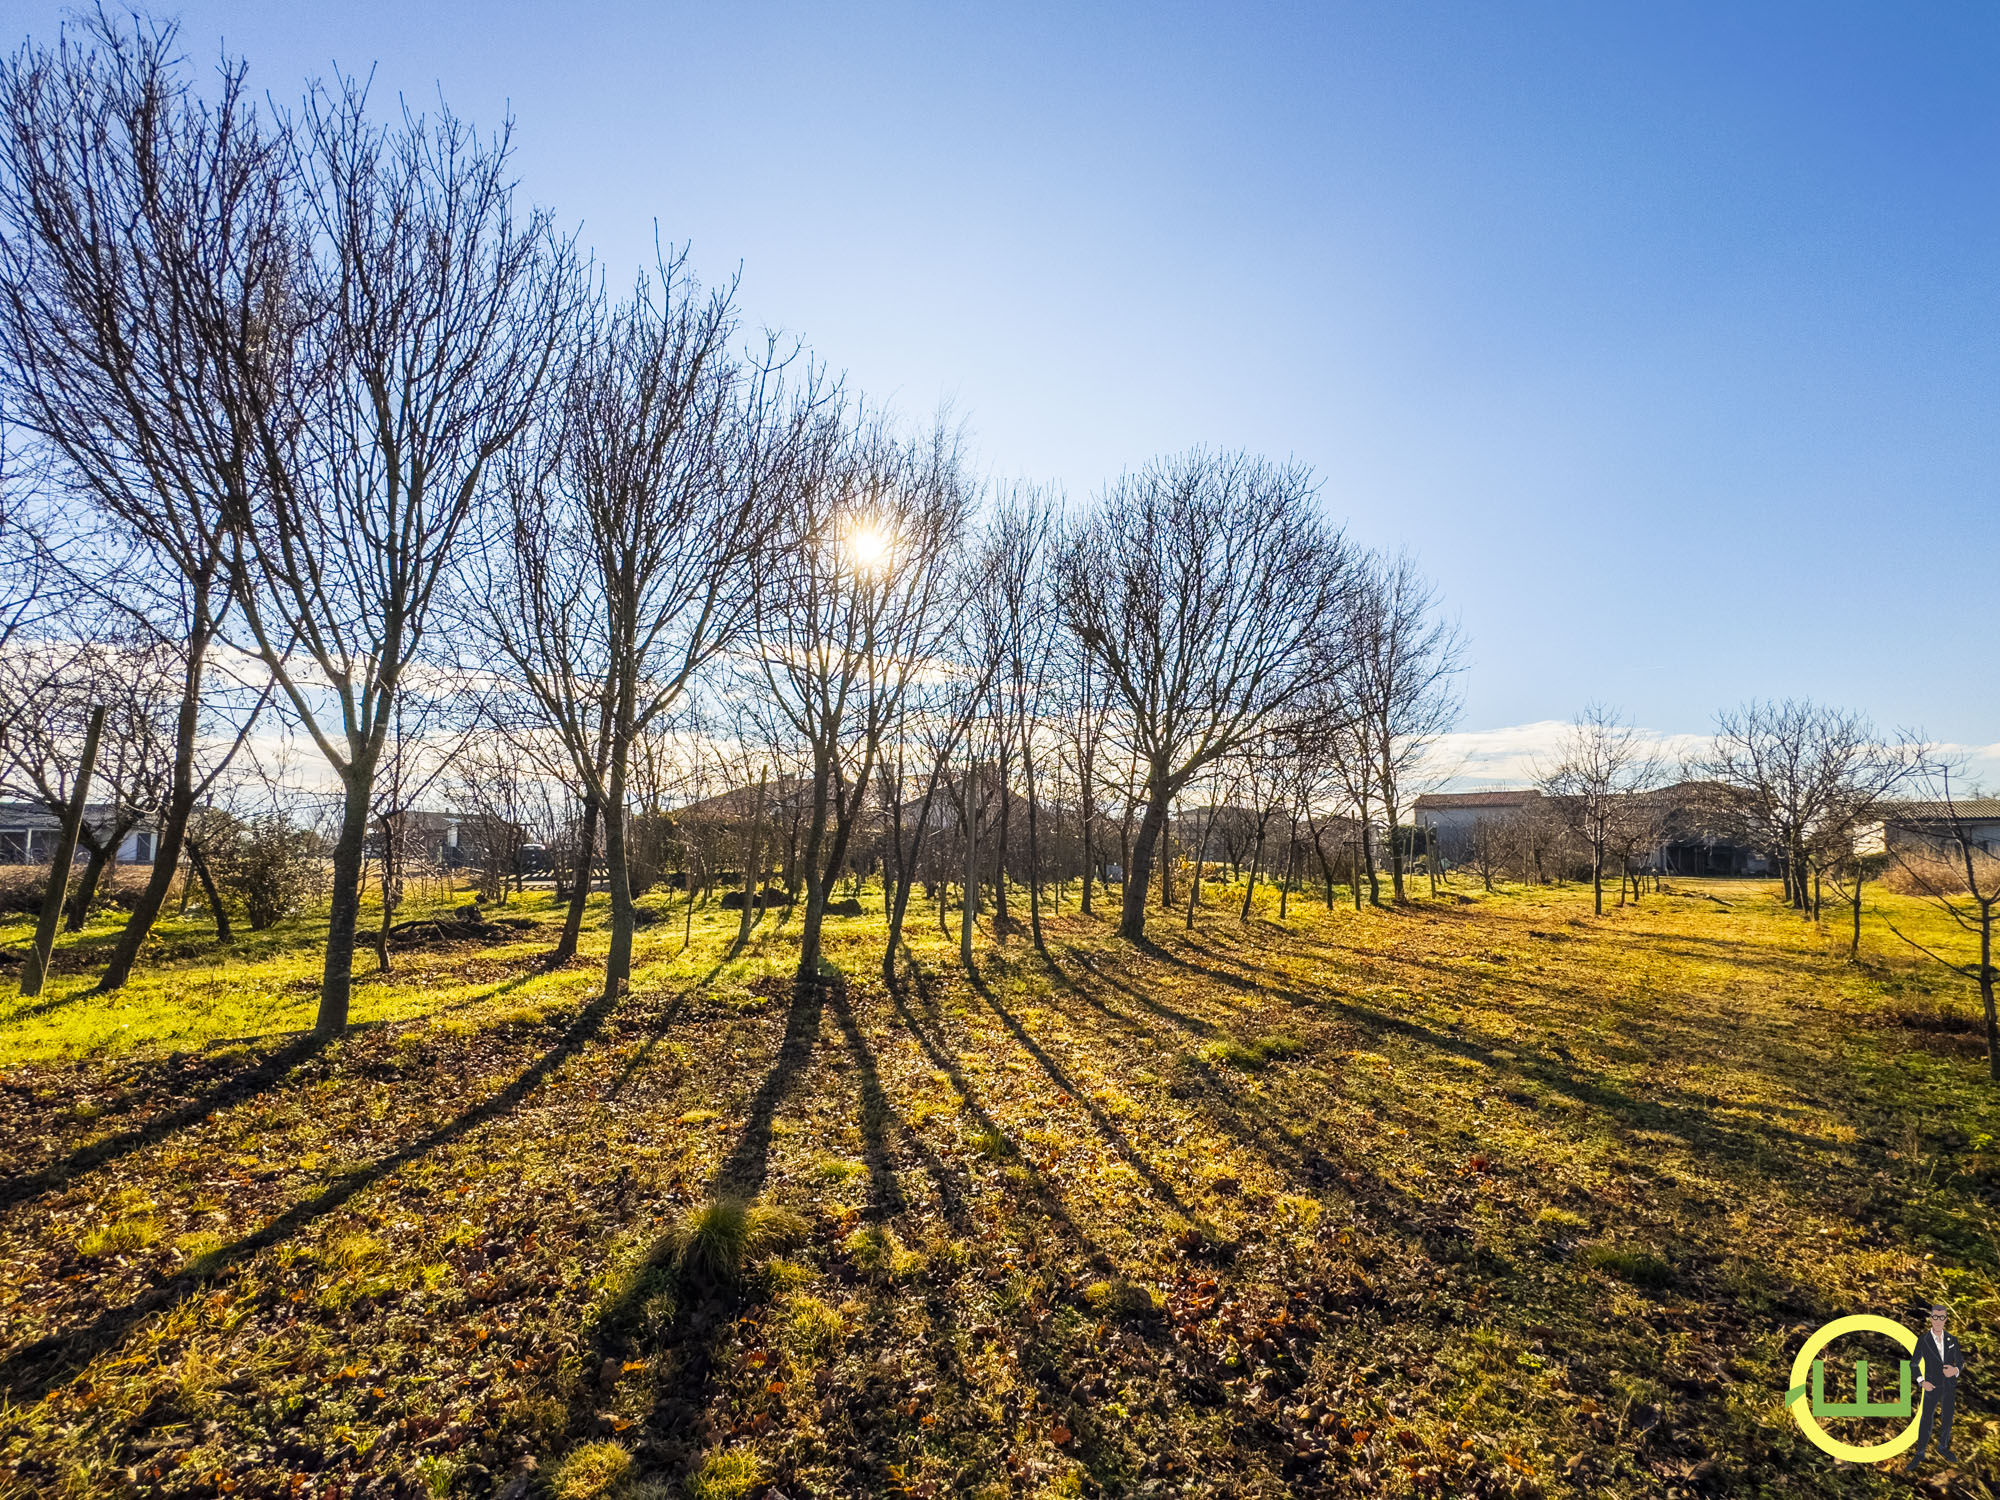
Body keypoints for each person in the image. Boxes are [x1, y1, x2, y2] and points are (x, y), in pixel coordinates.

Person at [1907, 1304, 1964, 1470]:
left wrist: (1955, 1370)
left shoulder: (1952, 1340)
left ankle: (1943, 1447)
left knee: (1947, 1417)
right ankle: (1920, 1453)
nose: (1938, 1320)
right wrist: (1921, 1381)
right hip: (1931, 1384)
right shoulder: (1923, 1340)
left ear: (1945, 1319)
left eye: (1942, 1317)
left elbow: (1960, 1362)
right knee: (1926, 1418)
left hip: (1949, 1384)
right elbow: (1914, 1363)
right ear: (1931, 1318)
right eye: (1935, 1317)